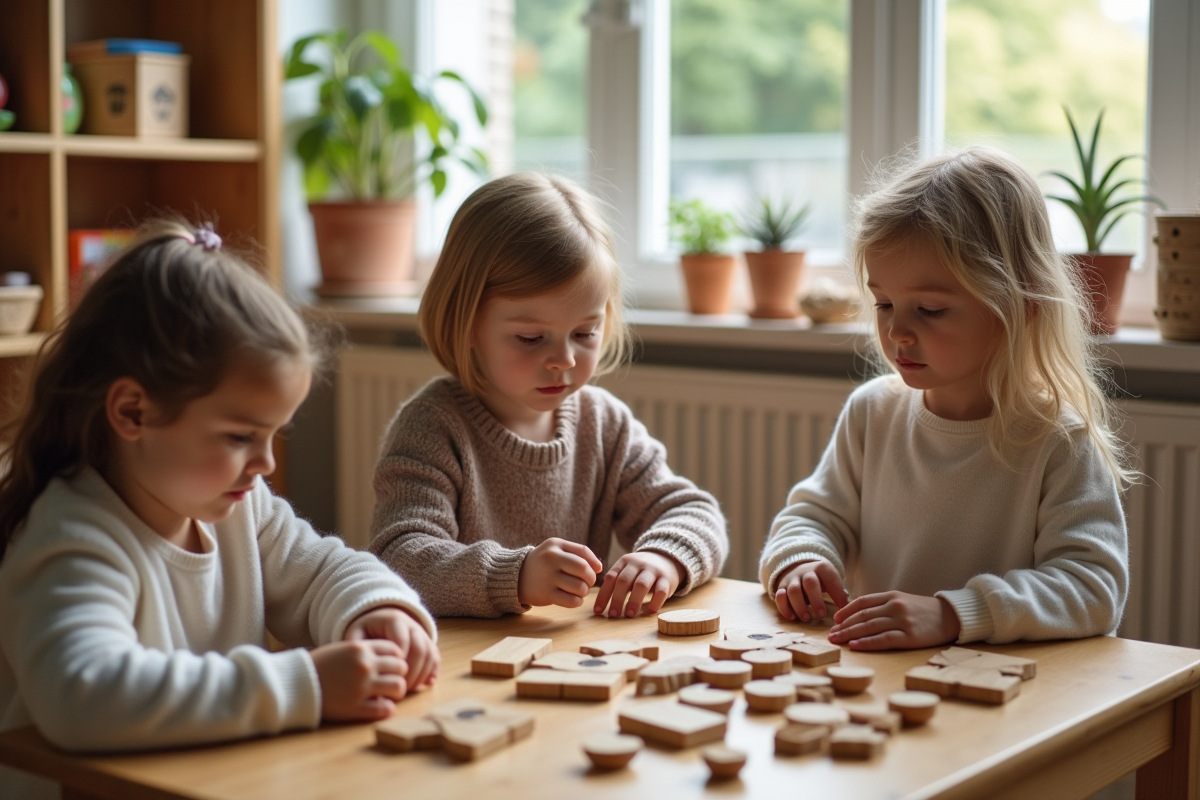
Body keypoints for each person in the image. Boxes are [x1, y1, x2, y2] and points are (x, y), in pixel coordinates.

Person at [0, 221, 438, 800]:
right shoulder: (72, 537)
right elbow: (84, 695)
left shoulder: (237, 506)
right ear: (132, 412)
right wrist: (303, 685)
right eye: (239, 437)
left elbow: (323, 569)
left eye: (274, 435)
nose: (264, 463)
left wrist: (375, 609)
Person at [760, 147, 1130, 650]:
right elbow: (813, 516)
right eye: (884, 303)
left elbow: (1092, 588)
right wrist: (802, 559)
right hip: (885, 685)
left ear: (1020, 307)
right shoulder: (873, 412)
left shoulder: (1059, 440)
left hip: (1009, 702)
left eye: (930, 309)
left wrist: (953, 614)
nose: (897, 331)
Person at [369, 173, 728, 619]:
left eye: (584, 332)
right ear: (467, 321)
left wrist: (664, 558)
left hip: (566, 662)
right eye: (531, 337)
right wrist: (513, 575)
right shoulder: (432, 426)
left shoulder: (603, 423)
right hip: (459, 668)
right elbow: (398, 557)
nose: (563, 359)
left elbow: (694, 512)